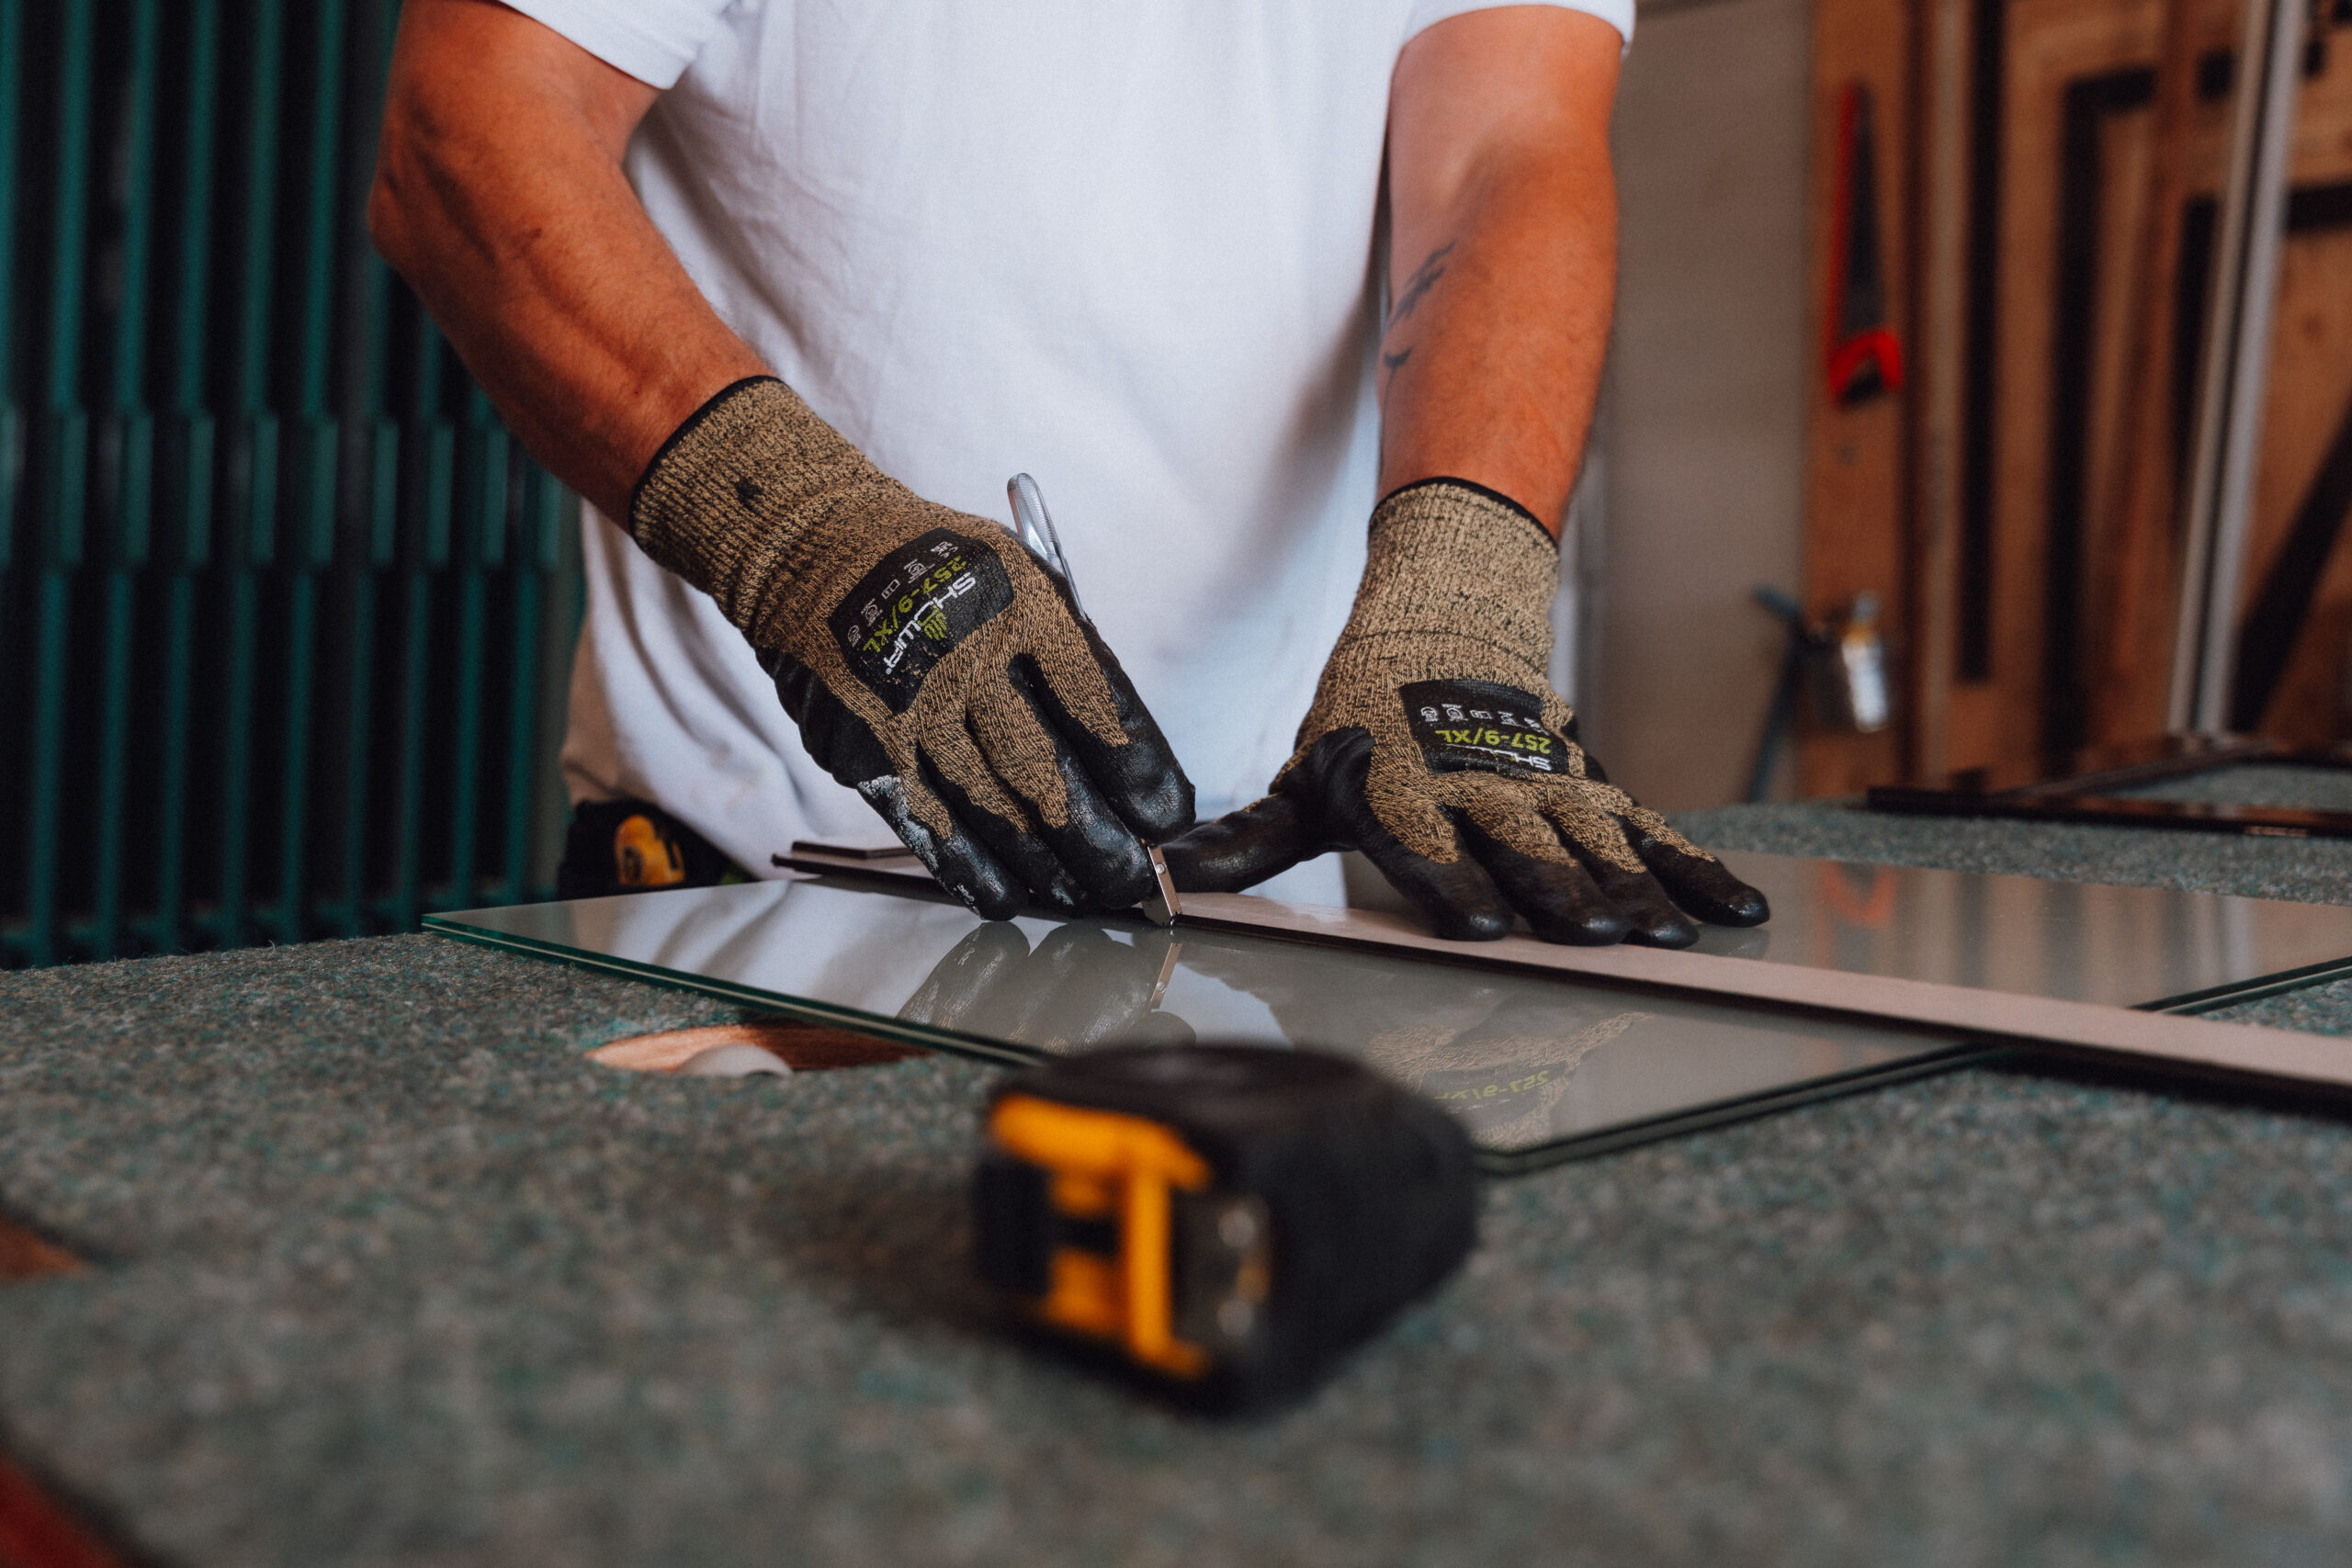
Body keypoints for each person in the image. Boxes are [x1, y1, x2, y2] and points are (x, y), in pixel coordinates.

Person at [369, 0, 1770, 947]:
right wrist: (803, 532)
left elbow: (1504, 155)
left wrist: (1457, 598)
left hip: (1256, 938)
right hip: (760, 920)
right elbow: (471, 126)